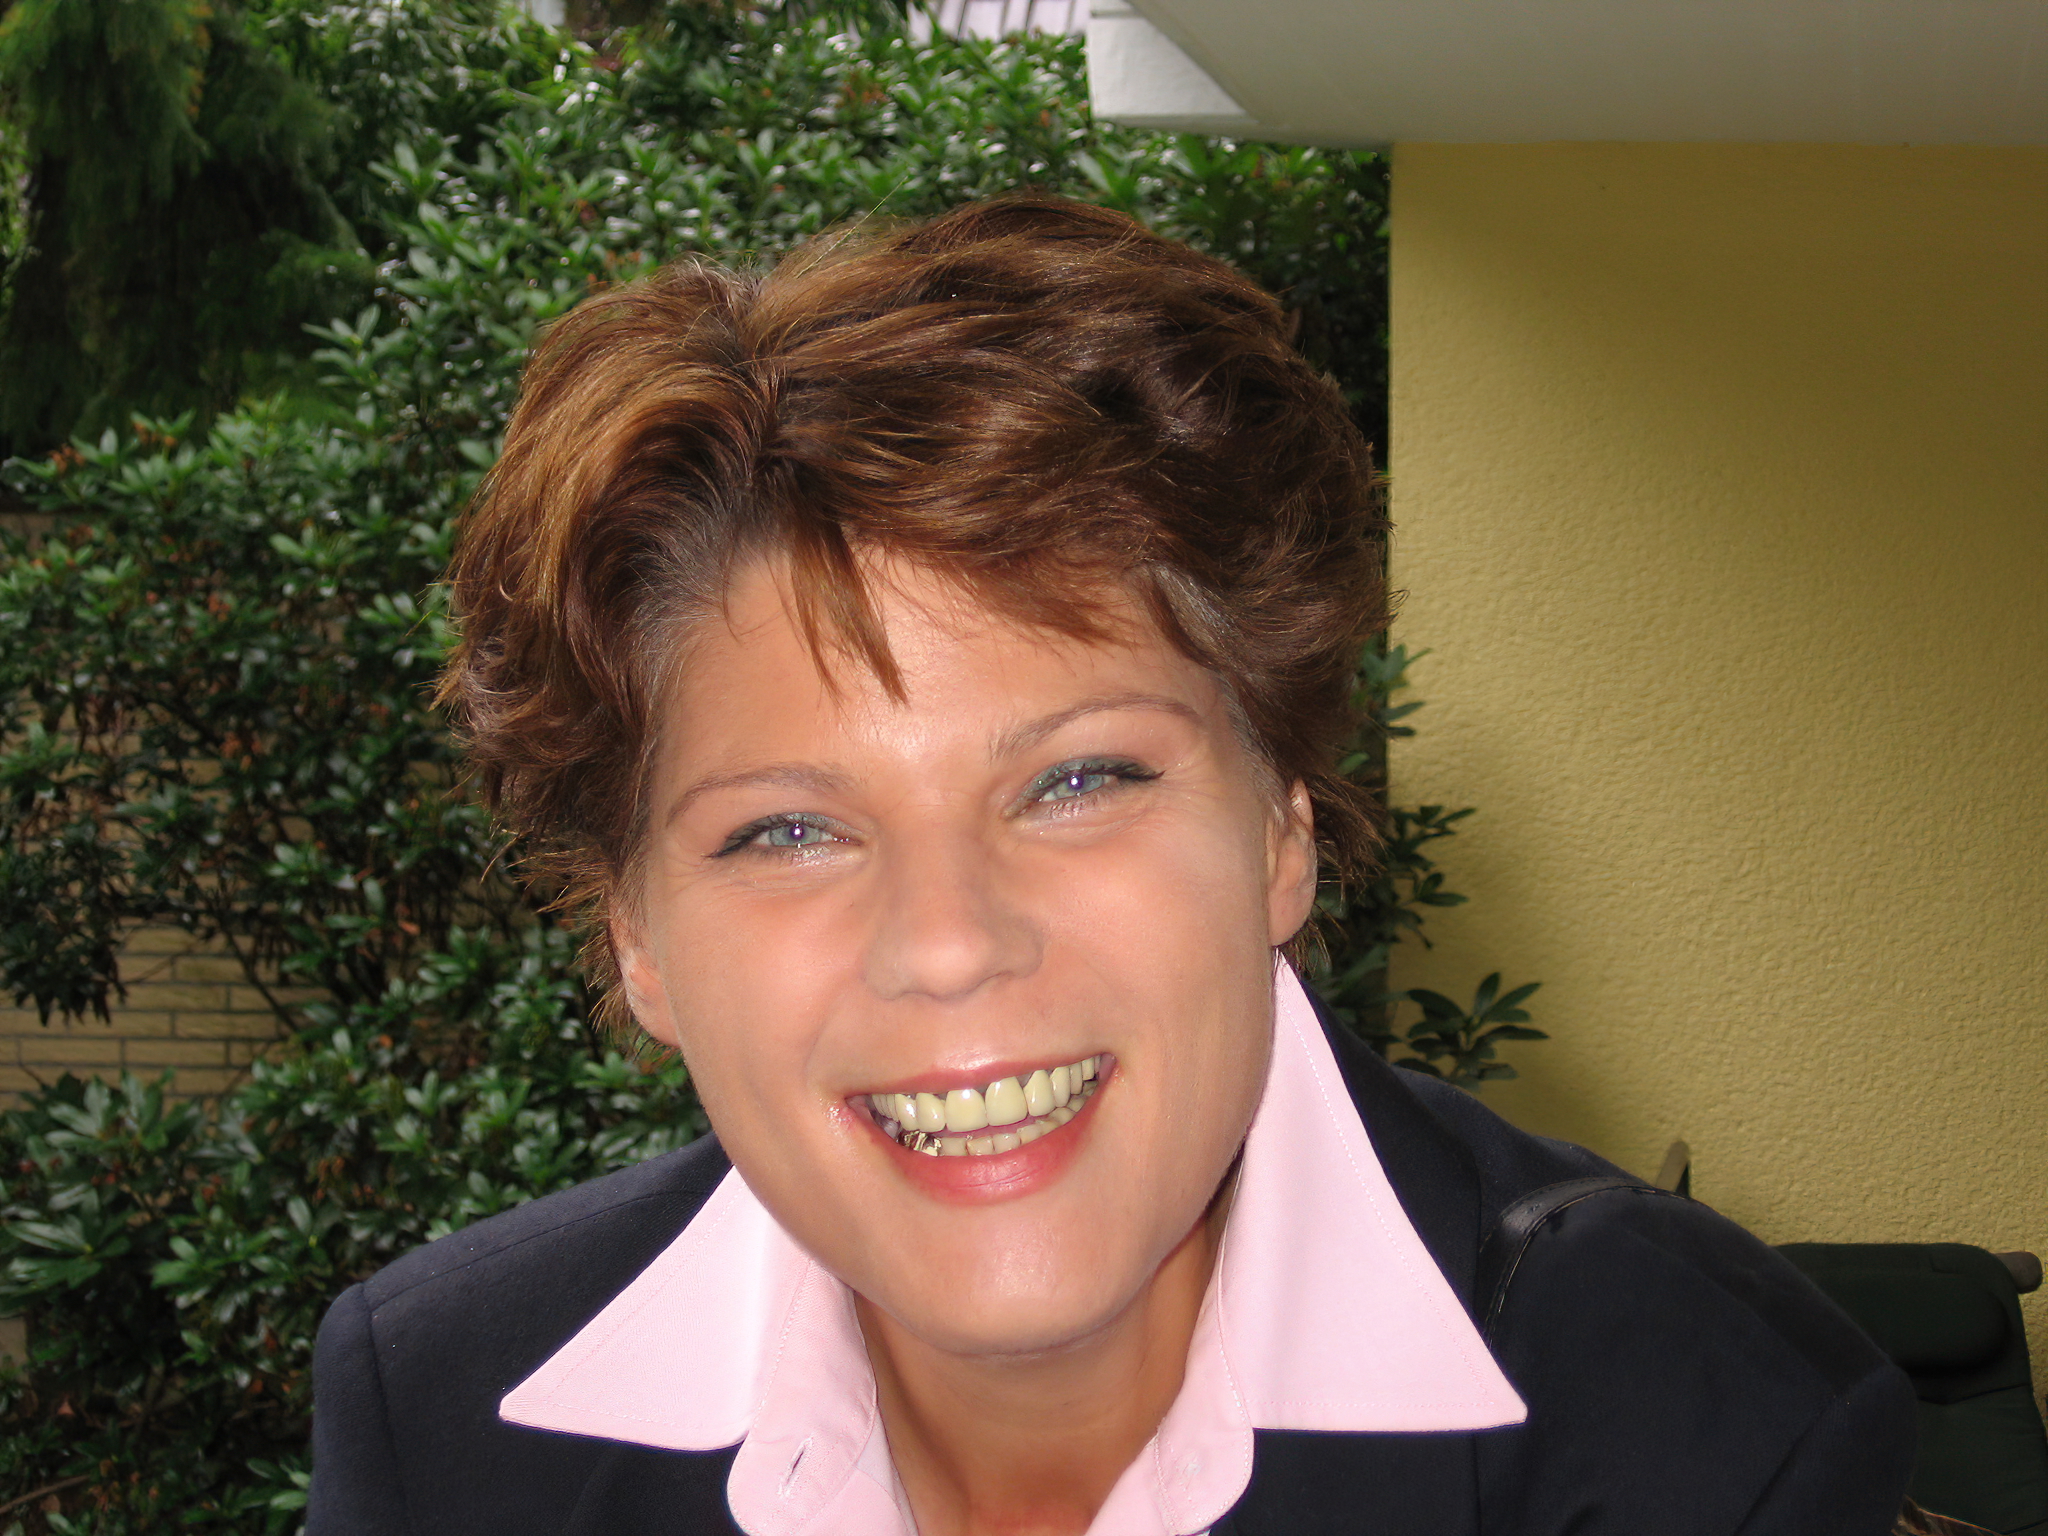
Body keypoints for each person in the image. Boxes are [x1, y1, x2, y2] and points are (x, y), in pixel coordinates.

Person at [308, 195, 1916, 1536]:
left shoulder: (1702, 1427)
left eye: (1078, 780)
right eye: (786, 830)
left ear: (1281, 825)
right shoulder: (445, 1425)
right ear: (639, 940)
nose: (948, 944)